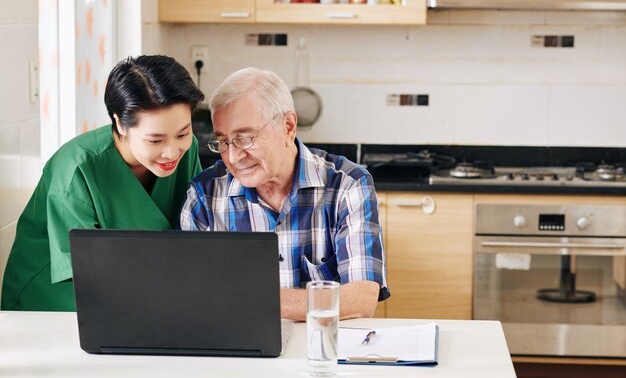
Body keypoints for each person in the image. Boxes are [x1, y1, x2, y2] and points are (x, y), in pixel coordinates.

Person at [180, 67, 389, 321]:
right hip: (241, 352)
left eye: (244, 138)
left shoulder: (347, 185)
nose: (233, 157)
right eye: (223, 142)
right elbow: (194, 299)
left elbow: (361, 299)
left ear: (288, 126)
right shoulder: (204, 196)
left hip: (322, 348)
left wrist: (245, 298)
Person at [1, 55, 205, 311]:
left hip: (141, 289)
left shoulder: (188, 151)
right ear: (120, 124)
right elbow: (84, 271)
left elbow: (195, 231)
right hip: (57, 300)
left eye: (183, 134)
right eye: (155, 140)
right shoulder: (76, 168)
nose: (172, 151)